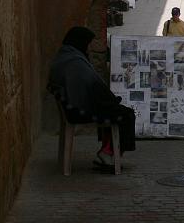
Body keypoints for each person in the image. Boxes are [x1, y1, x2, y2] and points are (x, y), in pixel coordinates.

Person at [48, 26, 136, 172]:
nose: (88, 49)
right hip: (78, 110)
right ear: (80, 42)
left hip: (71, 107)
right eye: (87, 44)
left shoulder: (65, 56)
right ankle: (108, 153)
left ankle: (107, 150)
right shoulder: (75, 63)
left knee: (112, 108)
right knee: (125, 114)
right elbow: (91, 88)